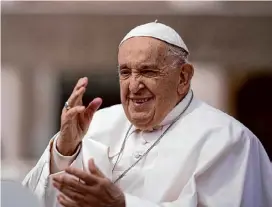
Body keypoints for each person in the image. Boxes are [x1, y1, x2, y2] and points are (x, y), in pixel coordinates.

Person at [22, 21, 272, 207]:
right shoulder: (97, 123)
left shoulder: (230, 140)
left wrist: (123, 204)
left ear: (183, 77)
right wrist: (64, 150)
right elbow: (29, 200)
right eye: (125, 72)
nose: (133, 86)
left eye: (147, 72)